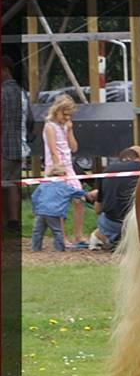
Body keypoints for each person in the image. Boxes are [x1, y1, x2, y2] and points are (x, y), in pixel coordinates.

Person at [43, 93, 86, 248]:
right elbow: (54, 150)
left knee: (79, 200)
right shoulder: (50, 126)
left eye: (69, 115)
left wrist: (69, 131)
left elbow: (74, 148)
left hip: (69, 167)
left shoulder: (65, 126)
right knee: (60, 204)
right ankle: (61, 237)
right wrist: (58, 169)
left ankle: (79, 235)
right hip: (57, 168)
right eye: (64, 115)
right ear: (57, 111)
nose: (66, 118)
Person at [88, 146, 140, 250]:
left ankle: (110, 239)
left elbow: (98, 209)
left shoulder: (108, 171)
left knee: (103, 218)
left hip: (113, 223)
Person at [2, 55, 32, 234]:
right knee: (12, 184)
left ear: (5, 70)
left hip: (4, 147)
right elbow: (31, 120)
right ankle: (13, 221)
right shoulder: (22, 92)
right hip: (20, 147)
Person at [31, 168, 91, 251]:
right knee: (57, 231)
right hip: (55, 212)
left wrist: (35, 209)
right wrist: (88, 194)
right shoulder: (65, 187)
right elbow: (78, 192)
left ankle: (35, 248)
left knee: (37, 231)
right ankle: (59, 249)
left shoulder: (43, 185)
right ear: (63, 176)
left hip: (41, 211)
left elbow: (34, 197)